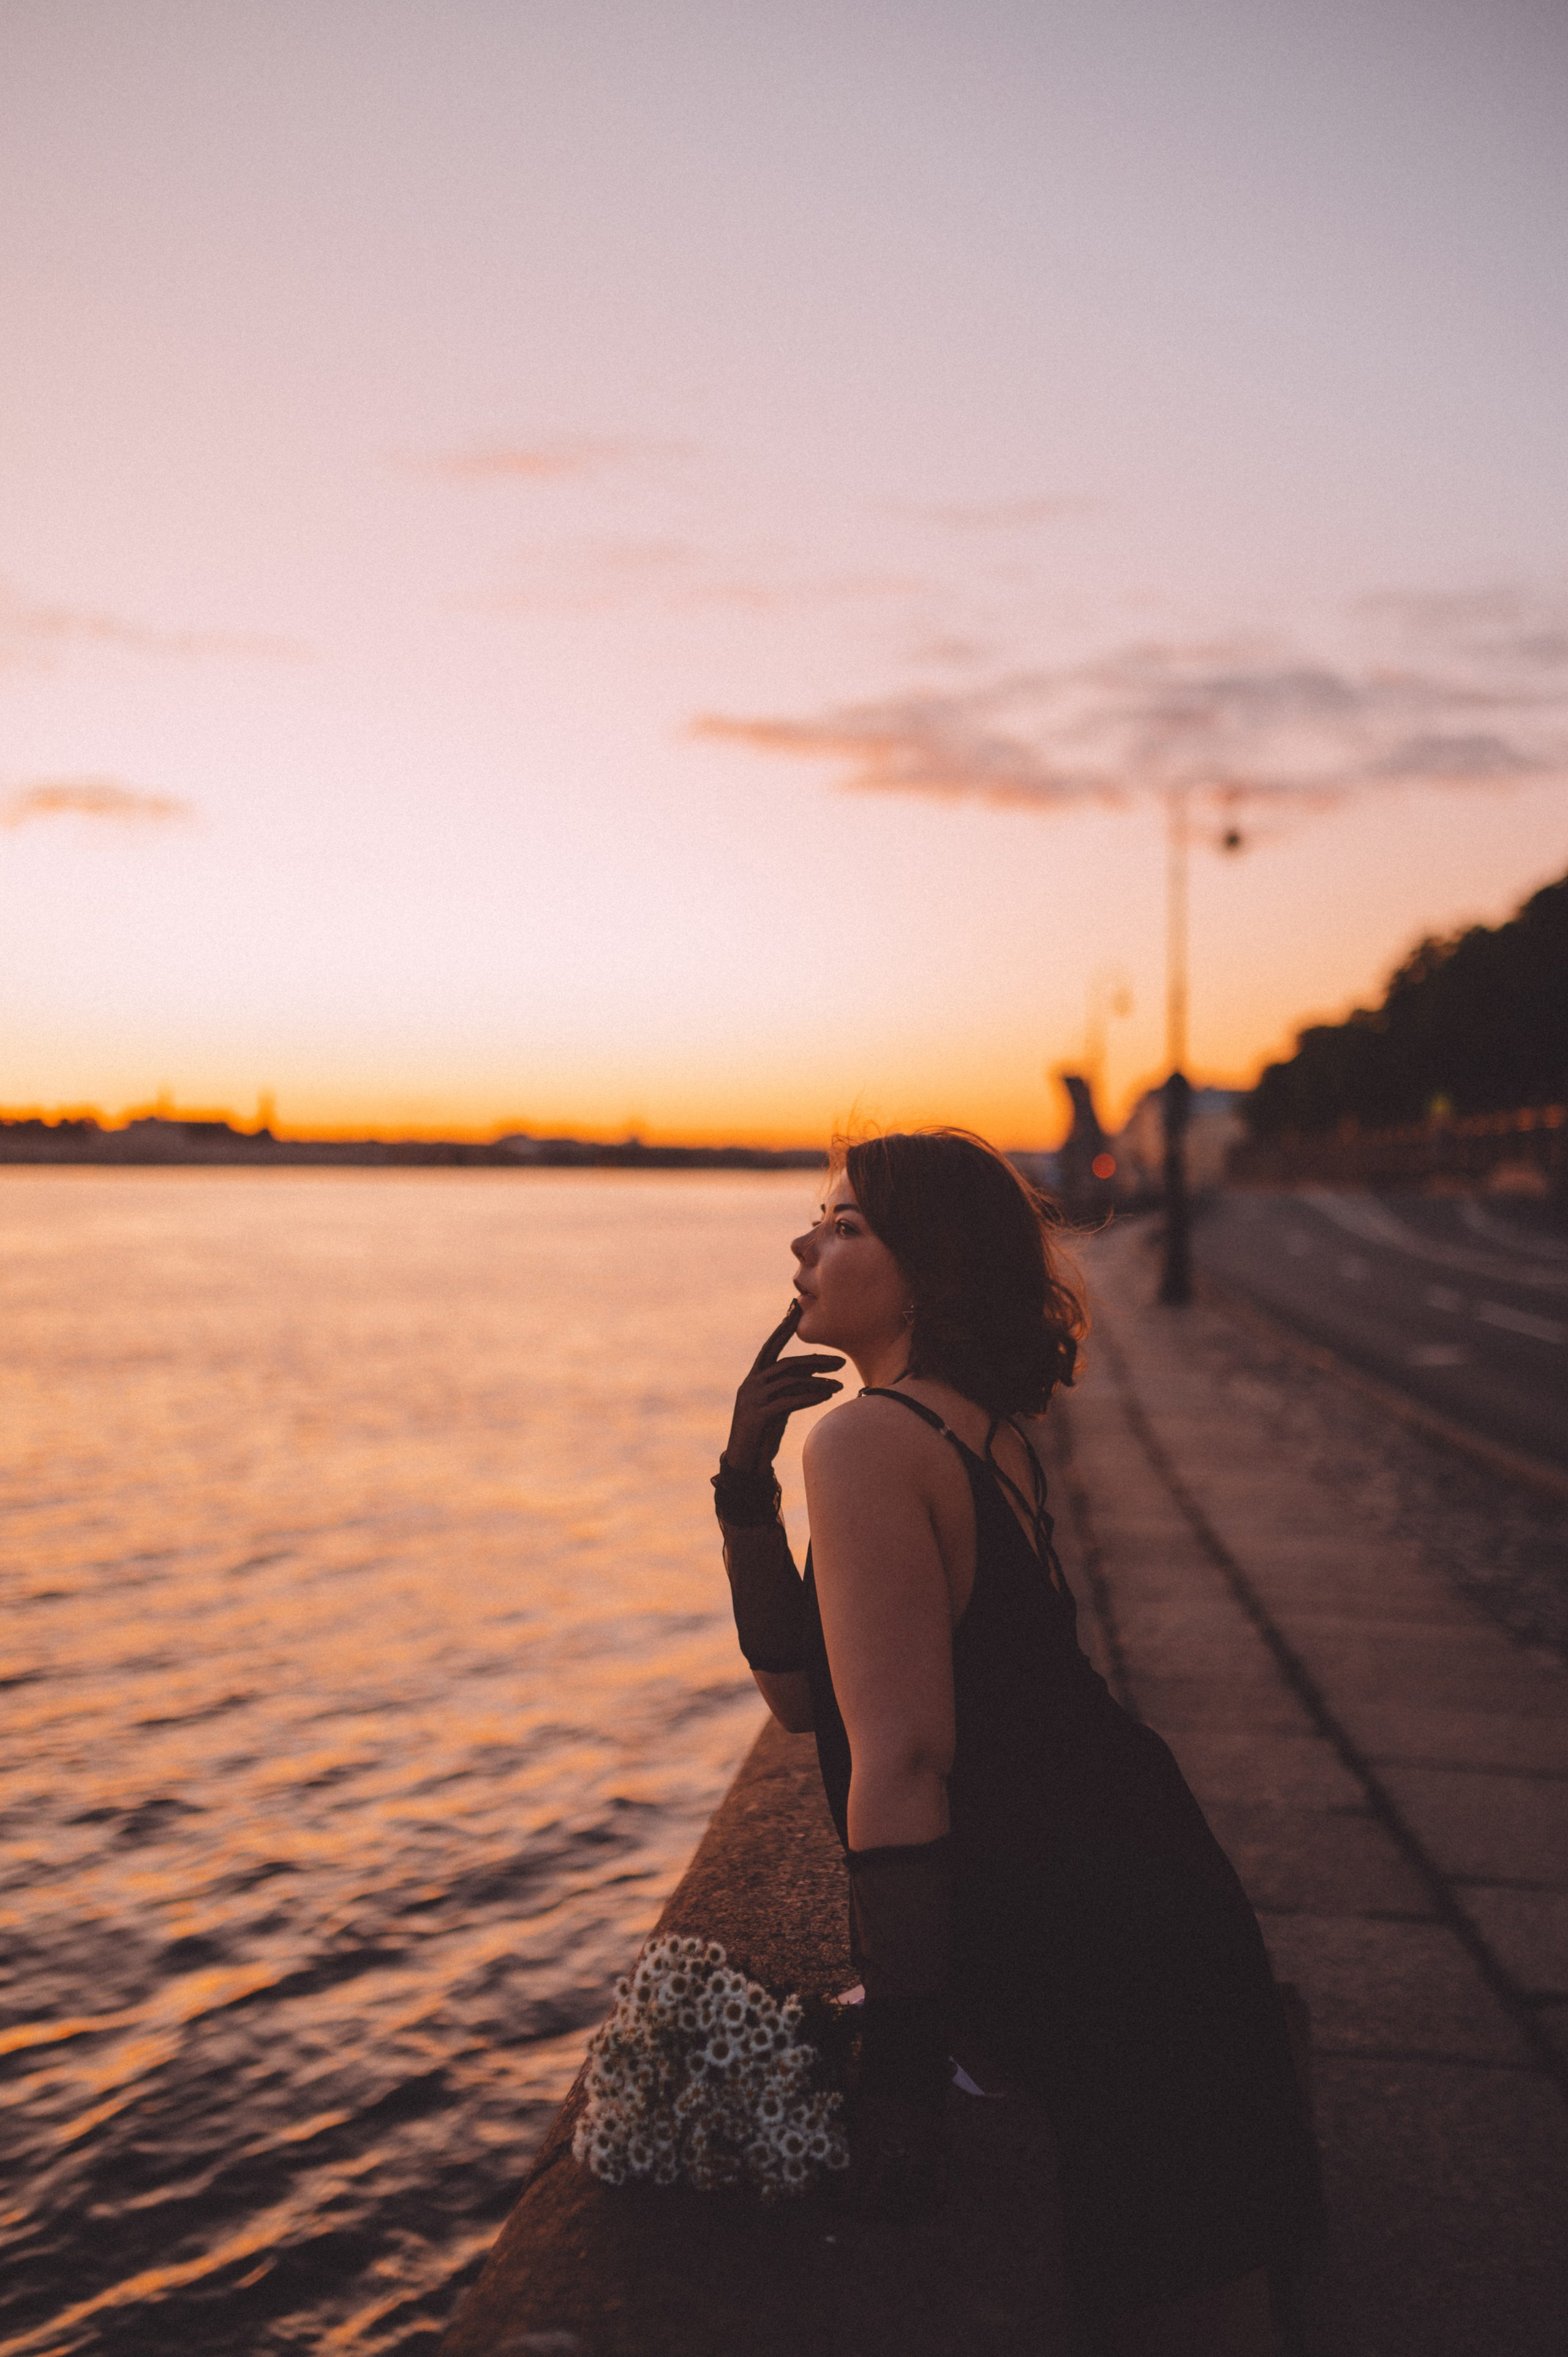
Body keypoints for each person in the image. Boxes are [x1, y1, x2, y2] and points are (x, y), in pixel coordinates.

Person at [712, 1129, 1323, 2357]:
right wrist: (742, 1483)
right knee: (1201, 2287)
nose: (803, 1244)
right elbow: (799, 1695)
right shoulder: (966, 1427)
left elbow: (899, 1758)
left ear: (924, 1268)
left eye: (842, 1225)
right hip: (1138, 1877)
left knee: (1158, 2291)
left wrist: (901, 2063)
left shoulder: (871, 1437)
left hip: (1076, 1923)